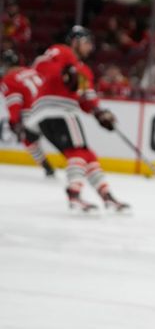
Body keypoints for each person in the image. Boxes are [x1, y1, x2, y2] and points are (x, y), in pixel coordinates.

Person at [28, 26, 129, 212]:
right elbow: (39, 65)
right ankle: (74, 195)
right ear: (75, 41)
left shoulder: (85, 71)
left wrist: (100, 113)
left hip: (52, 115)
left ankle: (106, 196)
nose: (90, 47)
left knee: (87, 155)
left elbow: (87, 100)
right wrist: (64, 71)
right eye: (87, 42)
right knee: (79, 153)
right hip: (59, 111)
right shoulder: (62, 51)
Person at [0, 50, 55, 177]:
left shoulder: (9, 79)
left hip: (33, 115)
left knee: (27, 138)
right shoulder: (33, 71)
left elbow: (15, 104)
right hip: (51, 107)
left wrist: (13, 122)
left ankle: (46, 165)